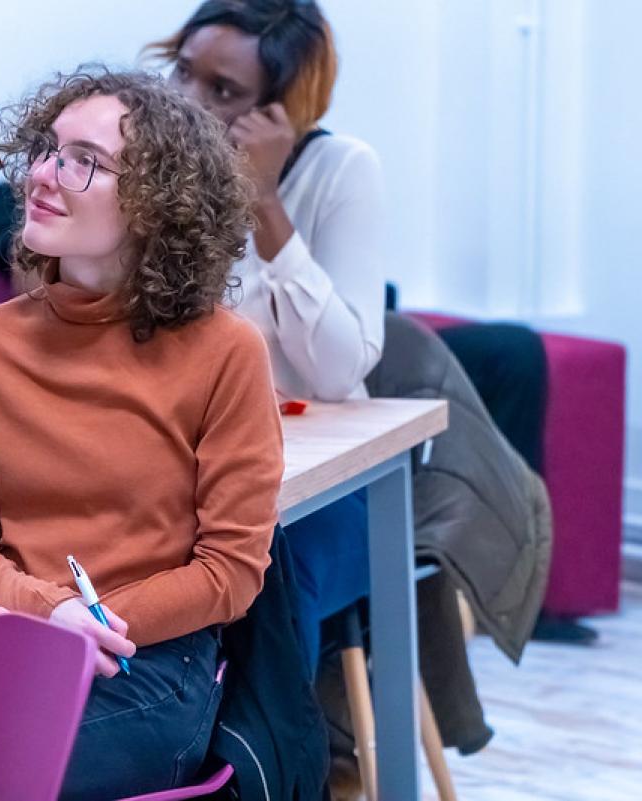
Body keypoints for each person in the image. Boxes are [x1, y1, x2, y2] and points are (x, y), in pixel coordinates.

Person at [0, 66, 284, 801]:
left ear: (156, 204)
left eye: (83, 161)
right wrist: (49, 614)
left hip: (147, 667)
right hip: (5, 644)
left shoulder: (226, 351)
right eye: (47, 148)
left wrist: (94, 625)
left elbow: (231, 569)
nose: (42, 173)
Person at [144, 0, 385, 680]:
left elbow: (338, 373)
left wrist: (265, 201)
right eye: (183, 74)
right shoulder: (152, 173)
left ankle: (262, 772)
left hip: (320, 490)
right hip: (179, 472)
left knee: (261, 572)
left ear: (279, 110)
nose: (188, 104)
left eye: (223, 92)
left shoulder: (342, 170)